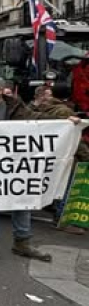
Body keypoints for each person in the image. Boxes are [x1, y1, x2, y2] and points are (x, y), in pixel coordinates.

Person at [0, 76, 80, 261]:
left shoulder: (16, 106)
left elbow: (37, 119)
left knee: (22, 199)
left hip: (16, 164)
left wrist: (65, 121)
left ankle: (22, 242)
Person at [41, 83, 89, 235]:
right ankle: (61, 219)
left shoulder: (44, 107)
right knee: (67, 188)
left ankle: (51, 206)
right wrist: (86, 156)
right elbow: (75, 138)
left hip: (50, 153)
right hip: (65, 155)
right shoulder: (64, 111)